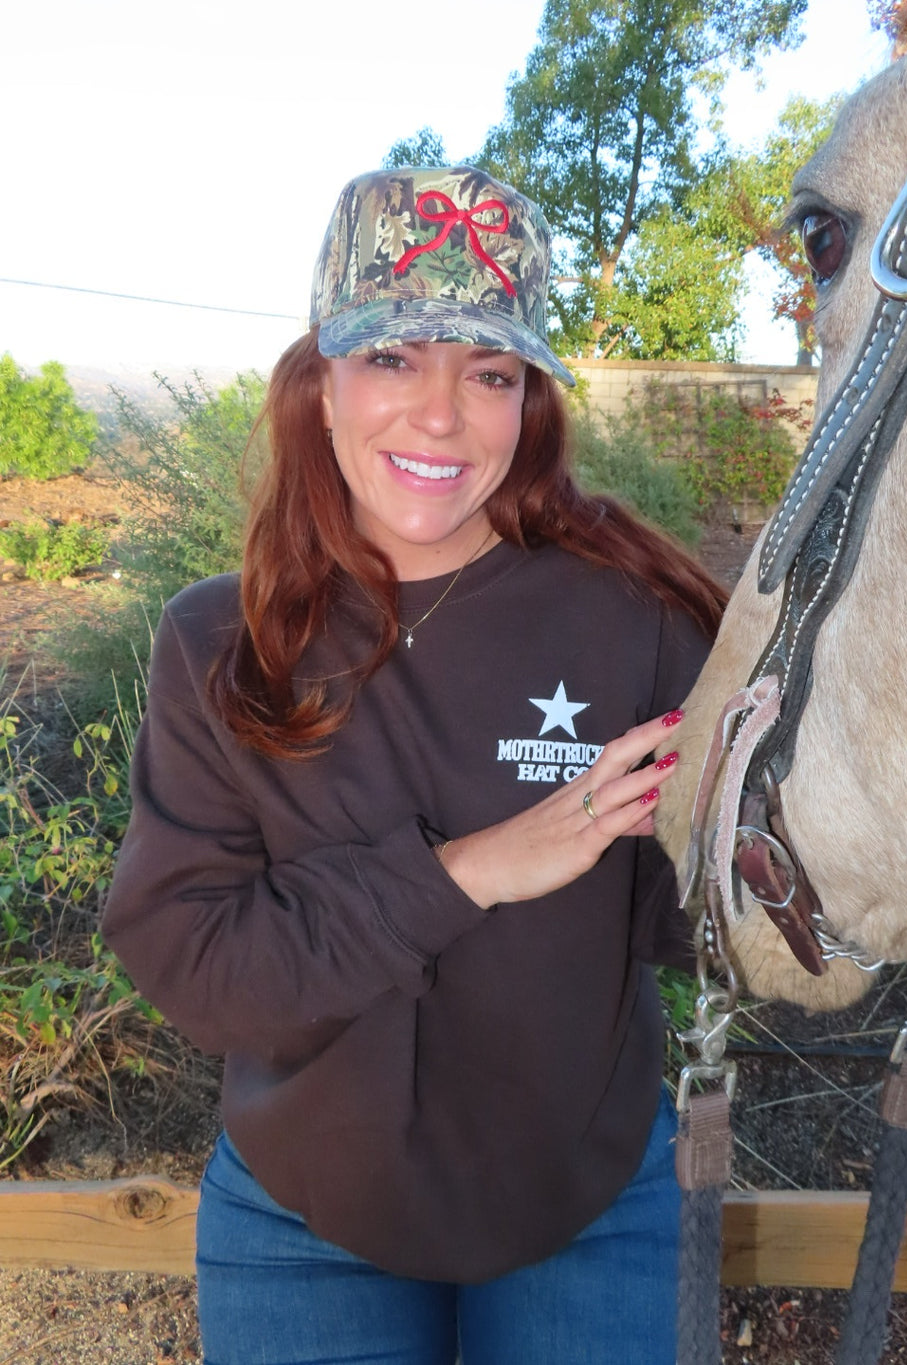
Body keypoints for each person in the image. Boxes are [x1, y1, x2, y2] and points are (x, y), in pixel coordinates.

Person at [102, 163, 727, 1365]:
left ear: (528, 404)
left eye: (488, 373)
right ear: (319, 386)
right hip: (301, 1214)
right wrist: (472, 872)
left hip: (584, 1204)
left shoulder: (634, 619)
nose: (440, 416)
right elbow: (200, 969)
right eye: (392, 358)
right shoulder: (217, 644)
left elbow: (703, 918)